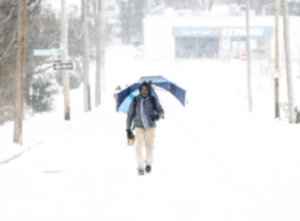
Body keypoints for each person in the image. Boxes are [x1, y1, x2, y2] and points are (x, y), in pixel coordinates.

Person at [126, 81, 164, 176]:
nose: (144, 91)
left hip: (150, 127)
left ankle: (148, 163)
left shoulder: (153, 99)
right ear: (140, 90)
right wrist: (128, 129)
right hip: (139, 126)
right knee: (138, 147)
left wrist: (157, 116)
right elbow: (130, 115)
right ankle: (140, 168)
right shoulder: (135, 100)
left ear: (149, 90)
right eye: (142, 89)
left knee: (149, 148)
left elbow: (161, 111)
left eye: (146, 89)